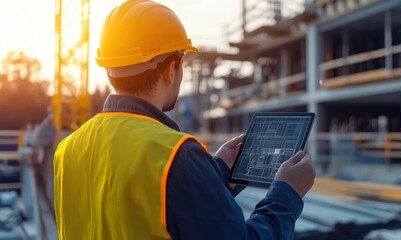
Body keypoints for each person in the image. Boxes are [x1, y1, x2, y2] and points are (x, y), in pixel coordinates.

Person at [53, 0, 315, 239]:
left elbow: (140, 208)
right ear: (171, 69)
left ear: (109, 69)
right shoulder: (176, 155)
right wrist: (286, 195)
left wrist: (216, 174)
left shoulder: (67, 150)